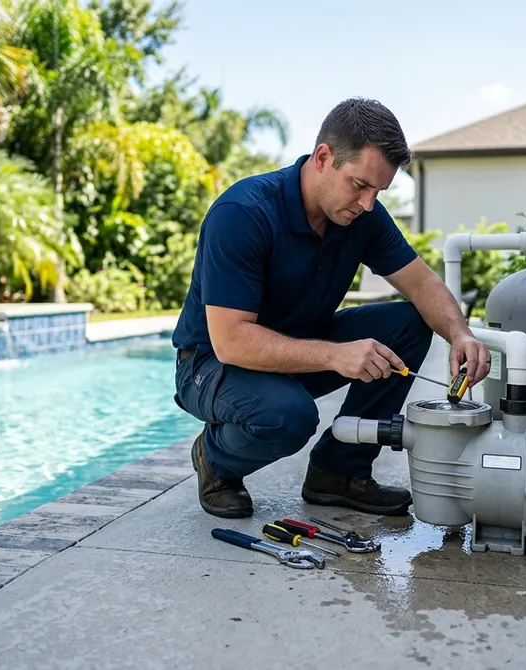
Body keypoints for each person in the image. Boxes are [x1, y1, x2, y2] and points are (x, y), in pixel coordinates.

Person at [171, 97, 491, 519]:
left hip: (298, 346)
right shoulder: (243, 214)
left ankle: (338, 472)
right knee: (289, 416)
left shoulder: (363, 216)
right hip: (211, 363)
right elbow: (231, 341)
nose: (368, 203)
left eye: (378, 192)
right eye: (360, 185)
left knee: (409, 322)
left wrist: (461, 334)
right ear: (323, 157)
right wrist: (335, 355)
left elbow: (422, 284)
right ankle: (215, 459)